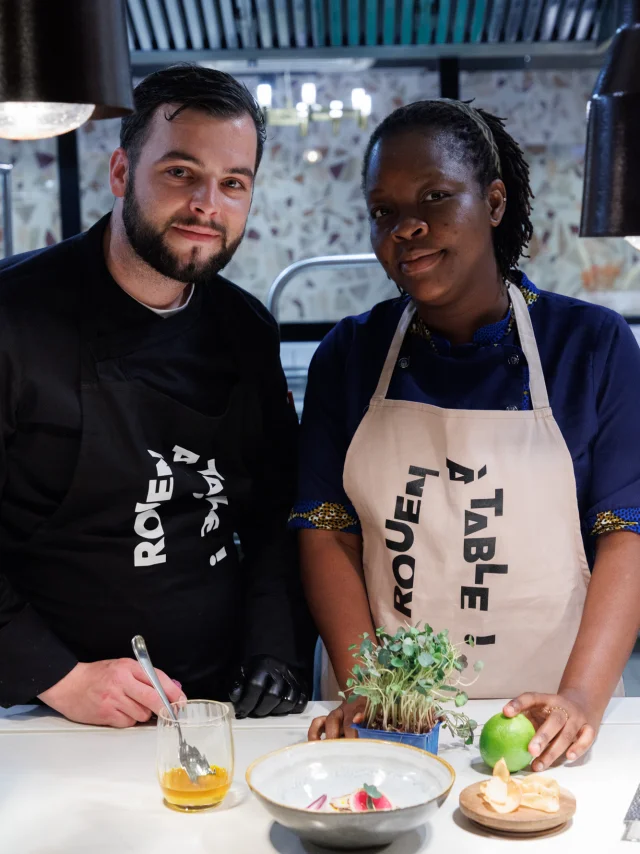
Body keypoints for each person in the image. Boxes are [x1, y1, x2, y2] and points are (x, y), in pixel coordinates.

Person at [291, 99, 640, 771]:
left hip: (545, 718)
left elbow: (627, 529)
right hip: (384, 721)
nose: (407, 228)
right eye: (384, 212)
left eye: (435, 197)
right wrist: (371, 687)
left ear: (496, 200)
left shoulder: (591, 346)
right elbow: (325, 527)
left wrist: (579, 698)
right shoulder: (351, 354)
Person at [0, 64, 312, 726]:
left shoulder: (245, 329)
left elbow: (274, 513)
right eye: (180, 173)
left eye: (233, 184)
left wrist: (275, 650)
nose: (207, 204)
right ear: (120, 175)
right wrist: (57, 677)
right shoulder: (14, 316)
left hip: (216, 702)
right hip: (45, 710)